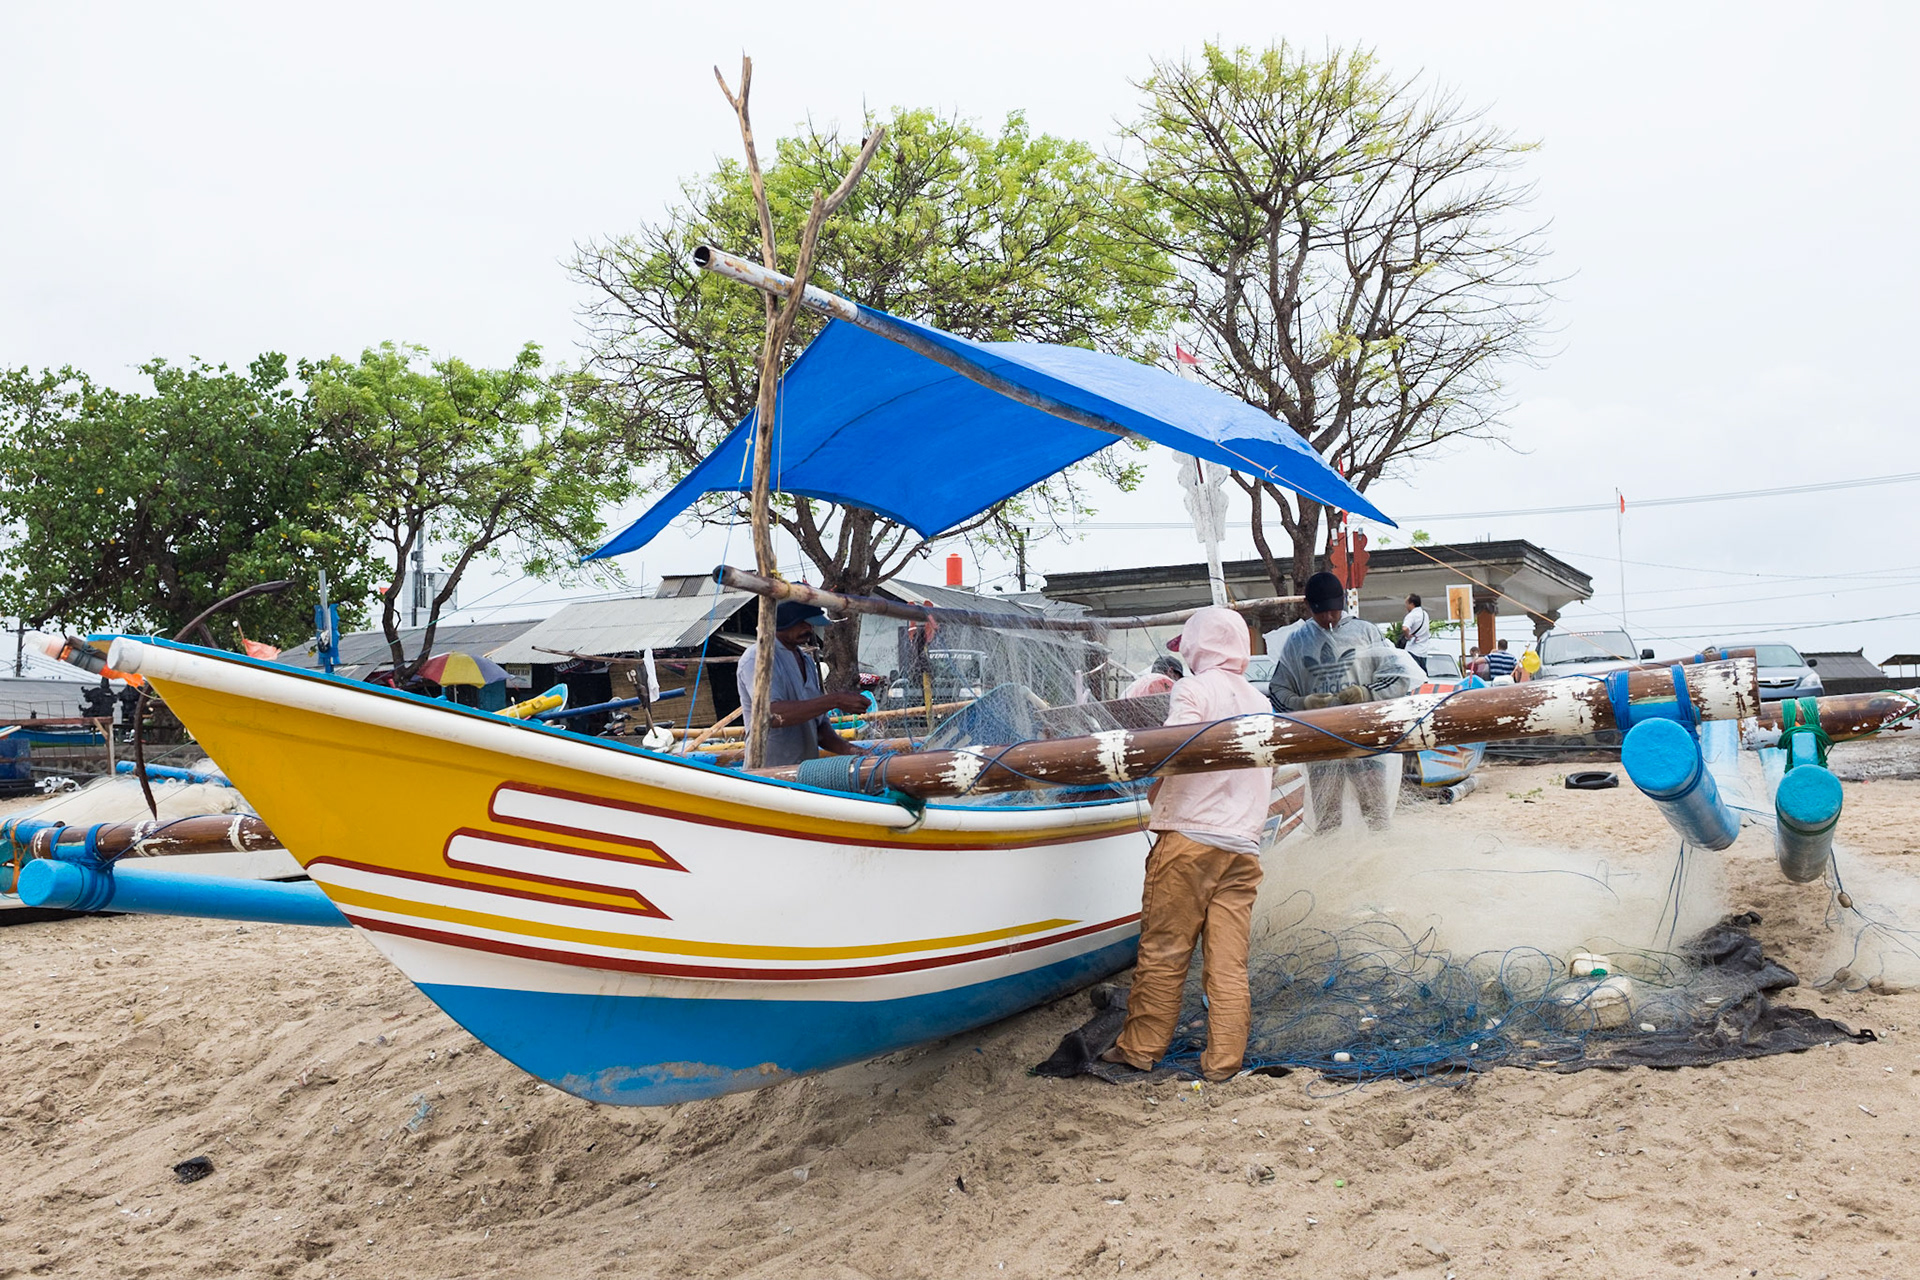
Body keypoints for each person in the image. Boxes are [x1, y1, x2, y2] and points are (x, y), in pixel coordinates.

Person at [1101, 606, 1272, 1082]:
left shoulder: (1193, 689)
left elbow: (1174, 748)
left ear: (1199, 646)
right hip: (1242, 846)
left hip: (1190, 840)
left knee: (1165, 950)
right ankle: (1223, 1062)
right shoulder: (1261, 702)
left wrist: (1153, 782)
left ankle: (1139, 1049)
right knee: (1228, 963)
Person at [1267, 572, 1419, 833]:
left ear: (1343, 603)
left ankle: (1378, 853)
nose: (1328, 617)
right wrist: (1303, 702)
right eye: (1321, 612)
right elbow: (1278, 690)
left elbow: (1398, 677)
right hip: (1320, 740)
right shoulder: (1297, 642)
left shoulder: (1365, 632)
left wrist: (1365, 693)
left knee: (1375, 812)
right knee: (1328, 818)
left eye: (1334, 611)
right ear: (1308, 607)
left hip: (1364, 736)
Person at [736, 601, 869, 768]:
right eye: (804, 624)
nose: (810, 629)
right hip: (767, 773)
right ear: (786, 622)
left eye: (811, 625)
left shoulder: (806, 660)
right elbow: (771, 714)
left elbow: (819, 726)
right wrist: (835, 700)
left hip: (804, 772)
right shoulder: (758, 657)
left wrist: (849, 750)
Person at [1401, 593, 1432, 674]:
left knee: (1412, 675)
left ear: (1412, 604)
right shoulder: (1425, 614)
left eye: (1407, 603)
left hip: (1412, 651)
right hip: (1423, 652)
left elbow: (1405, 628)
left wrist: (1408, 636)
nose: (1406, 606)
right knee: (1422, 676)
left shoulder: (1412, 615)